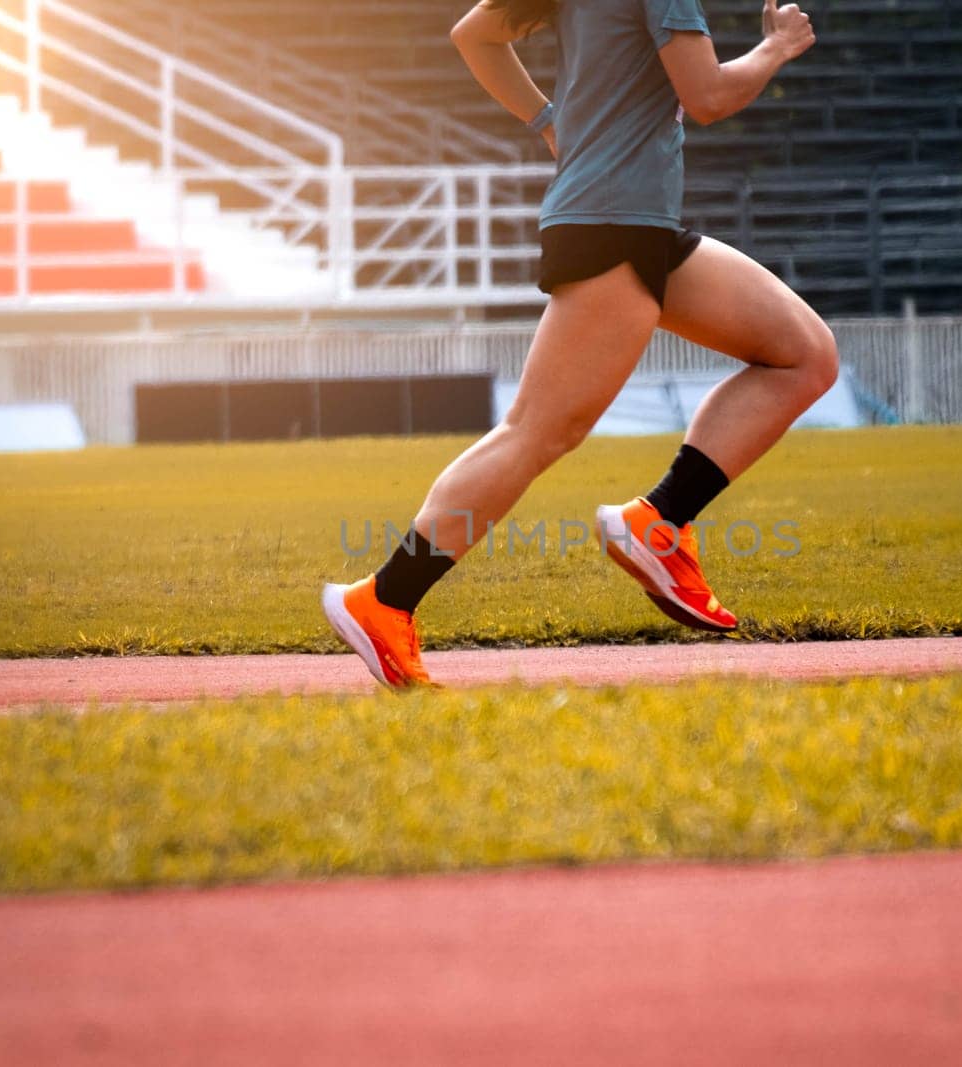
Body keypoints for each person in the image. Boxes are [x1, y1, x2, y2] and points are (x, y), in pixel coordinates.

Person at [322, 0, 836, 688]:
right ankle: (385, 598)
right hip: (613, 224)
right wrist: (776, 48)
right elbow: (708, 96)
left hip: (640, 221)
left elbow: (472, 34)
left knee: (804, 354)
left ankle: (659, 520)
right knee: (535, 433)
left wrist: (546, 122)